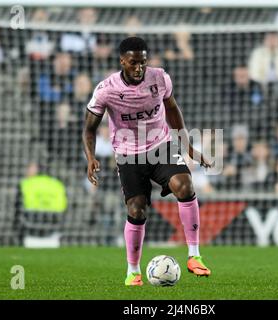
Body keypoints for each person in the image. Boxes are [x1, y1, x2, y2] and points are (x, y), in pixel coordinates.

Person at [82, 37, 212, 286]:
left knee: (185, 185)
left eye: (143, 61)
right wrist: (91, 158)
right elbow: (89, 128)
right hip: (129, 155)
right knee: (136, 209)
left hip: (160, 146)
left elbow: (172, 110)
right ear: (122, 61)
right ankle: (133, 271)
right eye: (133, 62)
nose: (139, 67)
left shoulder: (160, 78)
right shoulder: (106, 89)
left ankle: (194, 256)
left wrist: (188, 147)